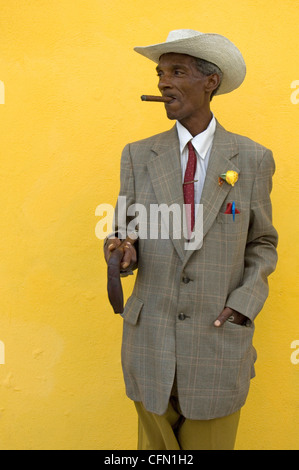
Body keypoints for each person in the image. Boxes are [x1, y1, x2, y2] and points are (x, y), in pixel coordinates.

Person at [103, 29, 278, 450]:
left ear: (210, 82)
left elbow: (262, 243)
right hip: (150, 345)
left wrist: (243, 305)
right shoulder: (137, 155)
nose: (163, 82)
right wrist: (123, 251)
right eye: (160, 73)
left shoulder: (252, 158)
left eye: (177, 71)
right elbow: (125, 229)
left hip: (218, 345)